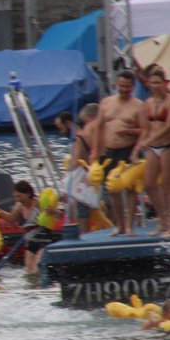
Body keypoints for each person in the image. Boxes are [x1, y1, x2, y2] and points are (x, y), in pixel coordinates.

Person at [95, 70, 145, 235]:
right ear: (117, 84)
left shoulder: (138, 105)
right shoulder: (106, 103)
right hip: (109, 151)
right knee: (112, 189)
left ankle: (130, 225)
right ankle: (120, 225)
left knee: (130, 188)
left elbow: (145, 131)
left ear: (133, 87)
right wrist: (95, 151)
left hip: (128, 149)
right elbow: (99, 128)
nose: (124, 89)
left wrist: (131, 133)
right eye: (121, 86)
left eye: (127, 87)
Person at [138, 67, 170, 236]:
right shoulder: (148, 103)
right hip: (152, 147)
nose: (155, 86)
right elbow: (145, 128)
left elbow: (169, 126)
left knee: (166, 186)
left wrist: (152, 139)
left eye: (158, 83)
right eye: (152, 83)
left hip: (167, 145)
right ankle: (163, 220)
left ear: (164, 83)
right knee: (149, 185)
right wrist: (138, 147)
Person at [0, 180, 48, 275]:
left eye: (20, 196)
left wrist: (51, 212)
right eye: (16, 196)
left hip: (43, 242)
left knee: (36, 269)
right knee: (29, 272)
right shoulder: (19, 205)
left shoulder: (38, 203)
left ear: (28, 194)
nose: (17, 199)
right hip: (30, 244)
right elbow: (11, 218)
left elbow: (57, 216)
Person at [68, 103, 100, 233]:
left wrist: (68, 177)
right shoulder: (104, 129)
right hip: (102, 172)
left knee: (83, 214)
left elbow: (75, 161)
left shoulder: (81, 136)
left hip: (87, 176)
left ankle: (85, 236)